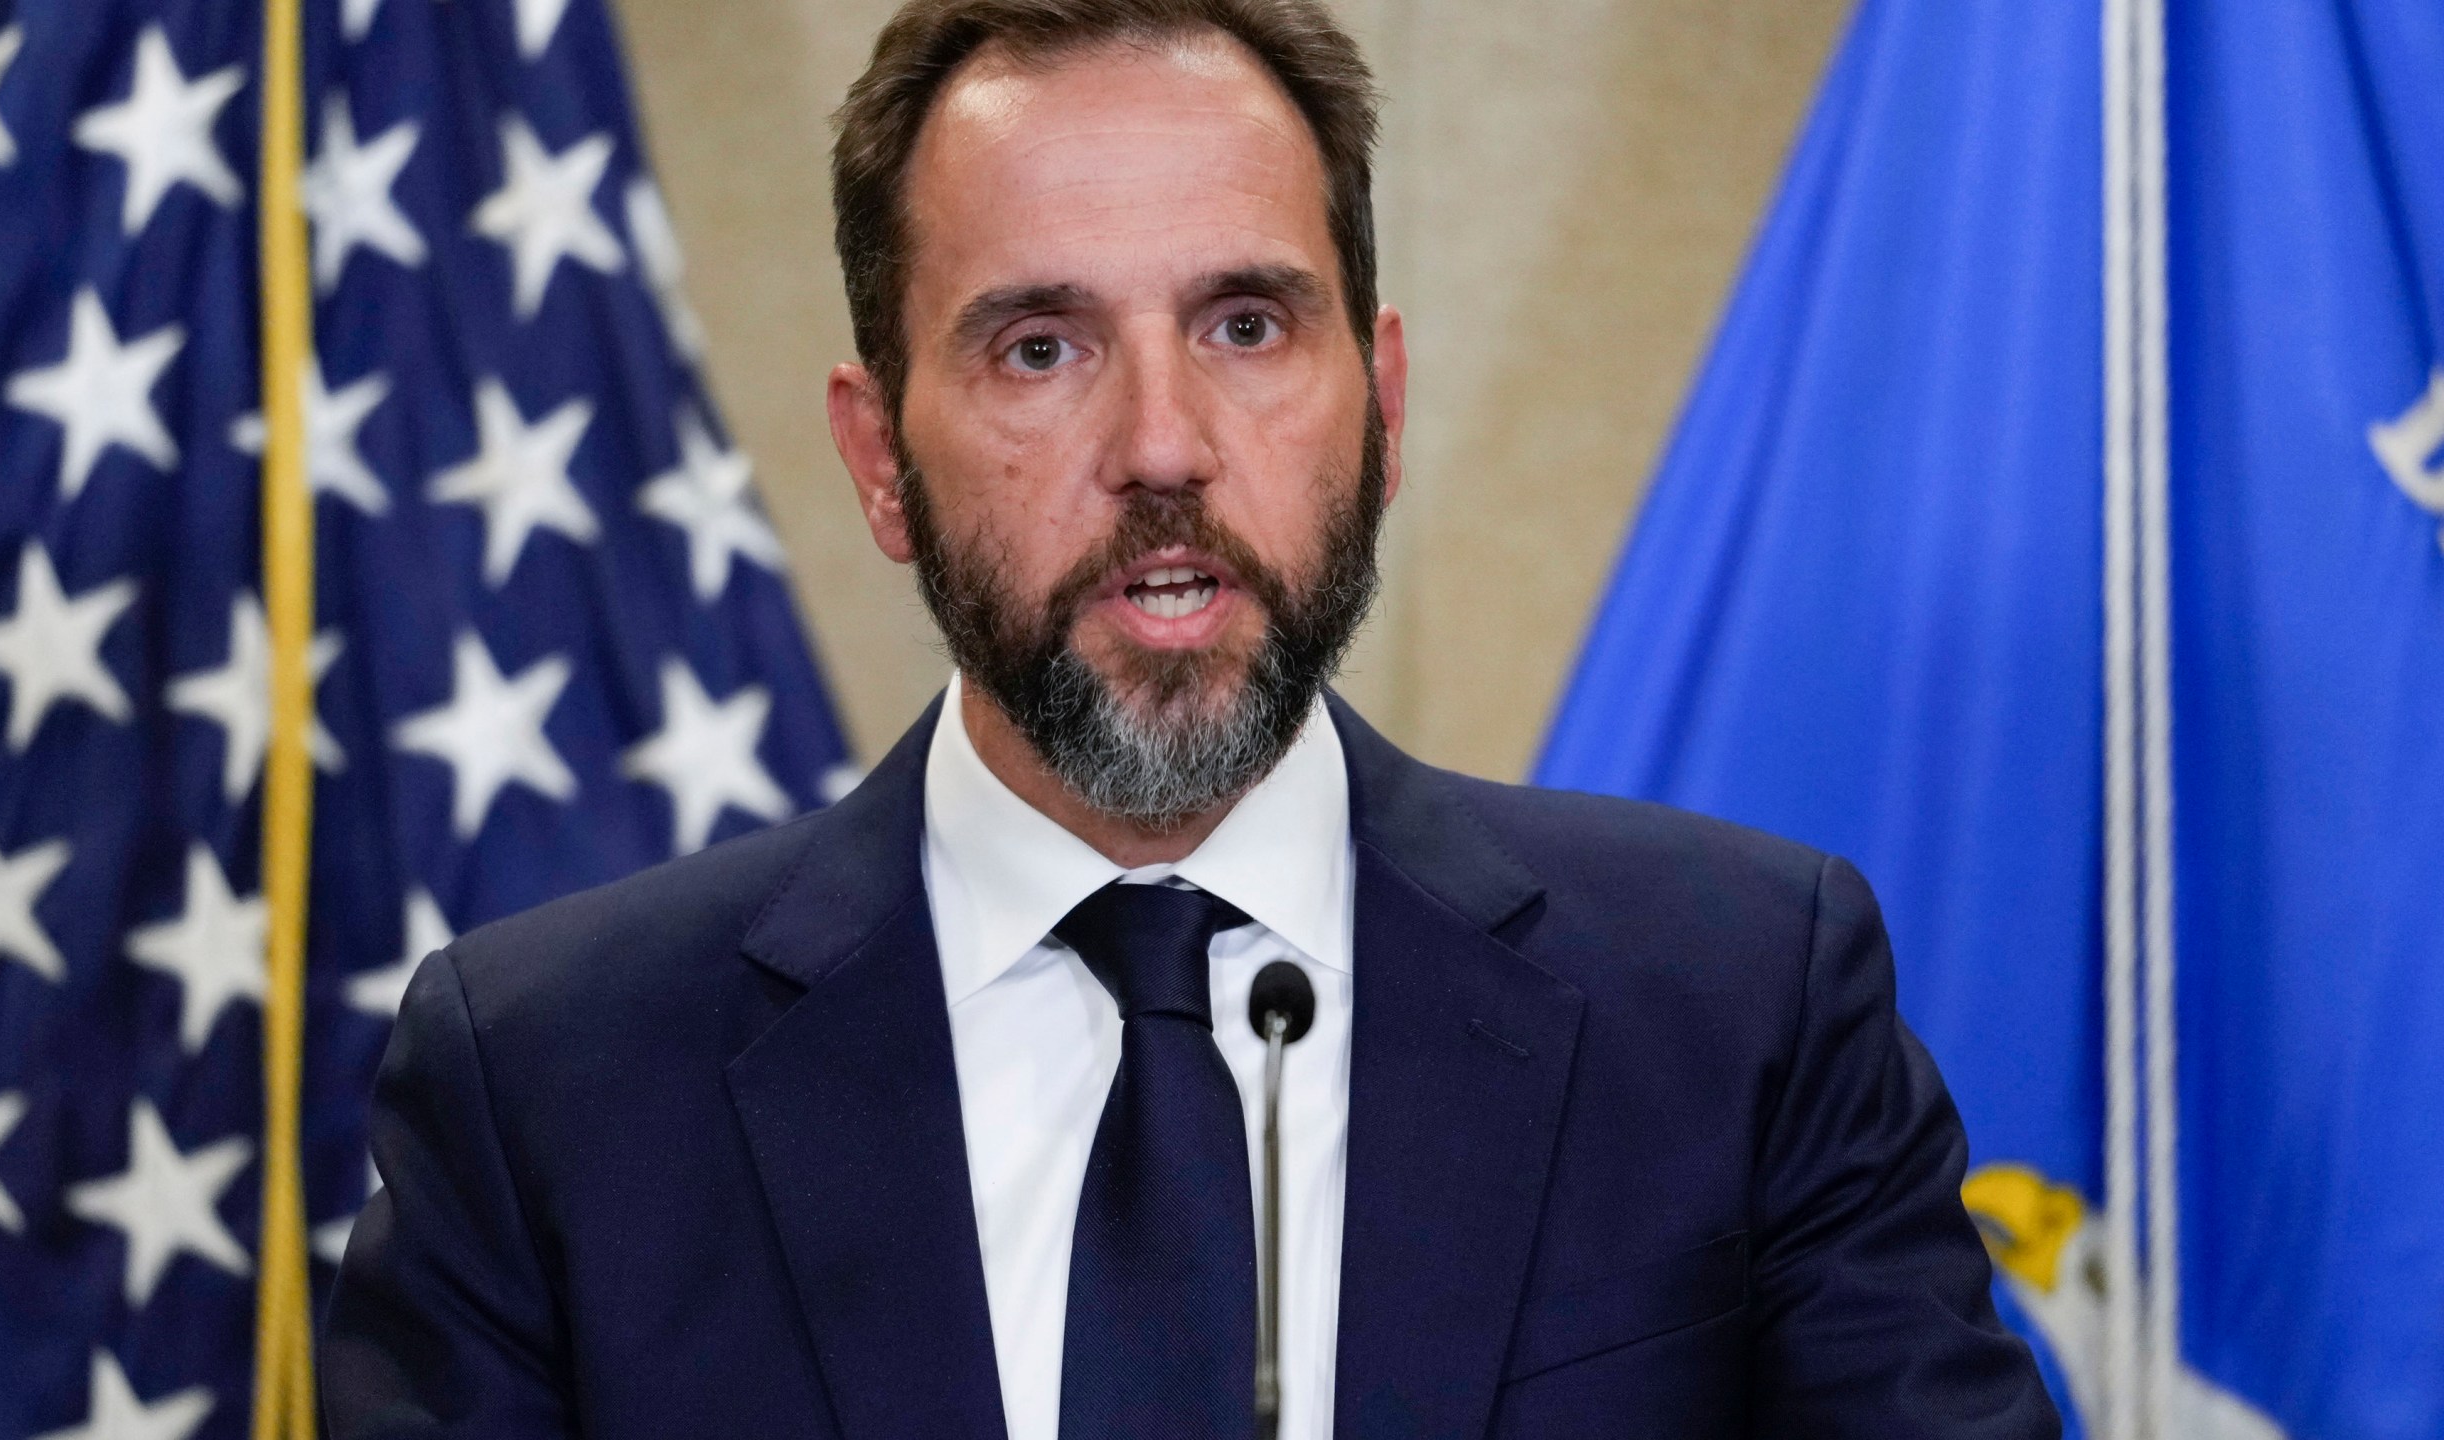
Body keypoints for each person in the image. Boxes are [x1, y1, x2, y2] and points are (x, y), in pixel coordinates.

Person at [318, 0, 2061, 1435]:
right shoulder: (548, 1083)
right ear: (879, 460)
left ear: (1375, 405)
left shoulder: (1743, 1007)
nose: (1162, 444)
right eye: (1039, 348)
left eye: (1244, 324)